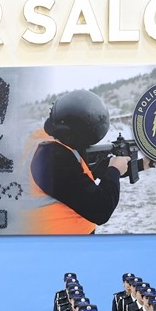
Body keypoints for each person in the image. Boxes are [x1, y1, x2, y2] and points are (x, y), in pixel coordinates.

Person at [30, 89, 135, 235]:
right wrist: (114, 170)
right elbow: (101, 209)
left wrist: (143, 164)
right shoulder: (51, 158)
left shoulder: (50, 144)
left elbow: (84, 175)